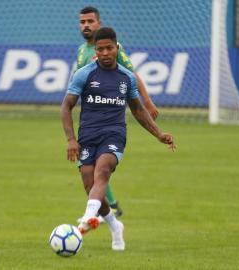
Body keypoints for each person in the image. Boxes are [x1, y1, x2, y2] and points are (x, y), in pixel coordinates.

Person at [61, 27, 175, 251]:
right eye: (100, 49)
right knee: (89, 183)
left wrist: (159, 134)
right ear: (96, 50)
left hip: (114, 133)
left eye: (109, 48)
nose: (105, 53)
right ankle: (114, 225)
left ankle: (86, 221)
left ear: (117, 48)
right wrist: (71, 140)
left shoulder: (126, 77)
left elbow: (138, 110)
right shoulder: (84, 74)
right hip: (88, 135)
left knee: (102, 170)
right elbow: (66, 106)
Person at [75, 6, 159, 218]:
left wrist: (147, 103)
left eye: (90, 21)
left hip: (110, 122)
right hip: (89, 121)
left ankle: (104, 209)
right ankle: (109, 208)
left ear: (99, 23)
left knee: (101, 168)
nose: (86, 25)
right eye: (82, 22)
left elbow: (132, 74)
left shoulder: (114, 50)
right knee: (92, 170)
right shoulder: (81, 51)